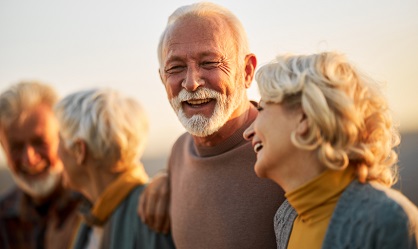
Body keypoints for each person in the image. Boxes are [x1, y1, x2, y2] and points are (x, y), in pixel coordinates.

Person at [138, 2, 284, 248]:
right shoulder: (179, 152)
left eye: (209, 63)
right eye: (176, 68)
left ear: (247, 71)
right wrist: (163, 179)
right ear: (162, 79)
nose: (191, 82)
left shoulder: (285, 148)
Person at [243, 51, 418, 249]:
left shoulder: (386, 220)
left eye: (263, 109)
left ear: (304, 117)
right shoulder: (285, 219)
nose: (248, 132)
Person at [54, 88, 175, 249]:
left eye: (59, 140)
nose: (56, 153)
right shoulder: (92, 216)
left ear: (79, 151)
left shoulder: (153, 214)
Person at [0, 81, 82, 249]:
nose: (29, 158)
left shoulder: (95, 205)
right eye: (16, 147)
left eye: (39, 142)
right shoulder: (3, 218)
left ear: (63, 138)